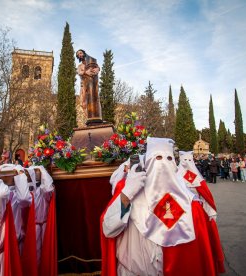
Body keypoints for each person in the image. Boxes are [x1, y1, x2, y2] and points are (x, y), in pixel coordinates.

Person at [101, 137, 225, 275]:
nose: (162, 164)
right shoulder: (129, 191)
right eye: (157, 157)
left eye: (168, 159)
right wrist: (126, 194)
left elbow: (198, 252)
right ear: (147, 162)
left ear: (174, 165)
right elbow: (109, 229)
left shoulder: (189, 204)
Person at [76, 49, 102, 125]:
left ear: (84, 53)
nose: (79, 55)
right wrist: (85, 72)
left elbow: (97, 67)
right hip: (84, 85)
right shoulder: (80, 66)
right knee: (83, 103)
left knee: (95, 100)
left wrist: (98, 69)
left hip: (93, 84)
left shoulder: (91, 61)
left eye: (80, 53)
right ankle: (89, 117)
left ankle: (96, 117)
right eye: (78, 55)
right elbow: (79, 72)